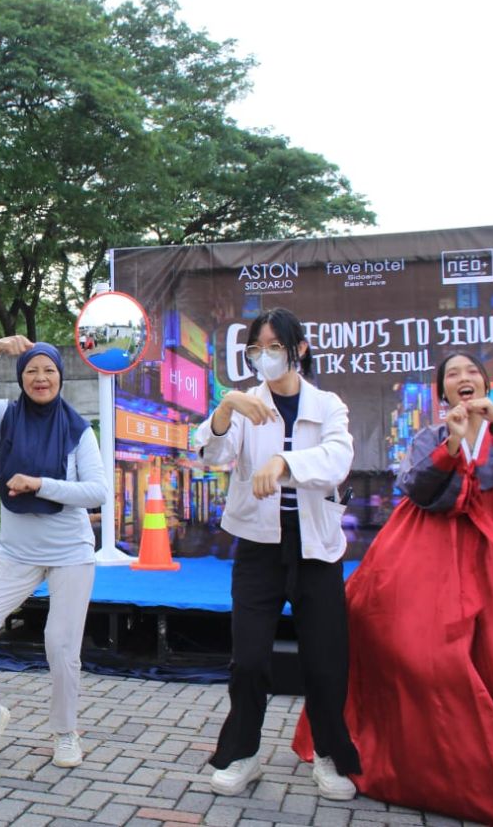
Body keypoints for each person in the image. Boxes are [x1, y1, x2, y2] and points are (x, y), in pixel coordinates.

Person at [292, 352, 493, 824]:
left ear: (485, 384)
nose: (463, 378)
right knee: (400, 639)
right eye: (453, 374)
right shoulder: (429, 437)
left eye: (471, 372)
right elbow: (416, 487)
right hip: (429, 550)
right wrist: (451, 445)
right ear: (443, 391)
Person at [192, 307, 359, 800]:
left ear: (298, 350)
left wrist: (284, 461)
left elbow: (338, 459)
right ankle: (243, 754)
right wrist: (226, 409)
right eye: (256, 348)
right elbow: (213, 455)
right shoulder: (247, 403)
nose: (265, 357)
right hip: (258, 549)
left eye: (274, 347)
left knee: (325, 660)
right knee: (248, 659)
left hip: (317, 549)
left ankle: (328, 755)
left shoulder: (327, 404)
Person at [0, 336, 105, 769]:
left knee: (61, 646)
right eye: (32, 371)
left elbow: (97, 492)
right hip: (16, 552)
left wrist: (40, 485)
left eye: (49, 370)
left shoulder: (77, 429)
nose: (41, 378)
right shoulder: (6, 417)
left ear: (61, 376)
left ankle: (65, 732)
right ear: (21, 378)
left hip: (70, 552)